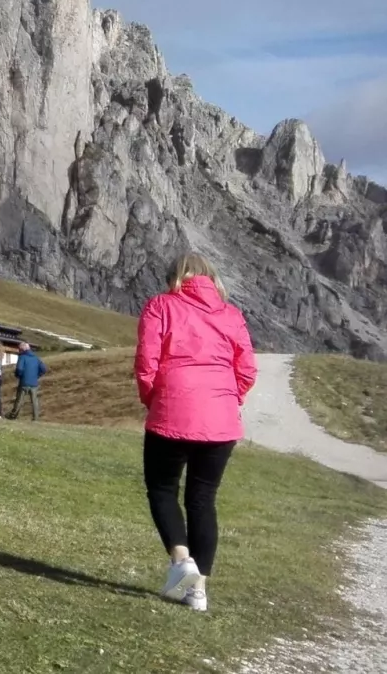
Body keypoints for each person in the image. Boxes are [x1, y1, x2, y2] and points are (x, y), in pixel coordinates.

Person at [135, 253, 257, 613]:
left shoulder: (160, 305)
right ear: (211, 278)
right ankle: (198, 592)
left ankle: (181, 559)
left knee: (162, 488)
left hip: (172, 410)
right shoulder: (231, 314)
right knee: (203, 500)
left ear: (175, 277)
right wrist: (227, 398)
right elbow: (247, 369)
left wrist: (153, 399)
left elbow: (147, 362)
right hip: (221, 421)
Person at [9, 342, 47, 421]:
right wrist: (37, 376)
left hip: (24, 382)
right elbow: (44, 369)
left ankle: (13, 416)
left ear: (22, 349)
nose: (19, 351)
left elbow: (19, 369)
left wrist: (18, 375)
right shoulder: (36, 358)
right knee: (34, 401)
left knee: (19, 400)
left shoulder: (22, 357)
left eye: (19, 349)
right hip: (34, 383)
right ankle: (36, 418)